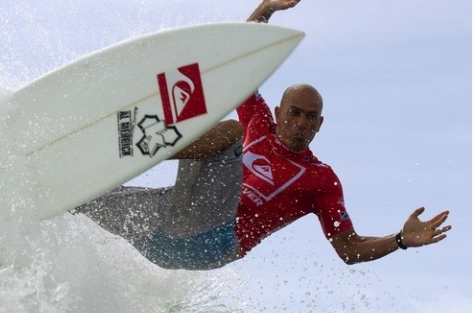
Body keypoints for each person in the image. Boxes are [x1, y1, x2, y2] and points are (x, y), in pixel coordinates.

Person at [77, 0, 451, 269]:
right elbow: (240, 64)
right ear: (278, 112)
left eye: (311, 118)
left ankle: (135, 143)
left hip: (211, 242)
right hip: (162, 231)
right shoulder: (258, 119)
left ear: (320, 124)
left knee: (228, 132)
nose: (302, 123)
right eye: (295, 113)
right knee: (81, 194)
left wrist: (401, 240)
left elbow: (349, 249)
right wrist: (265, 9)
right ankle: (67, 186)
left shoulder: (321, 179)